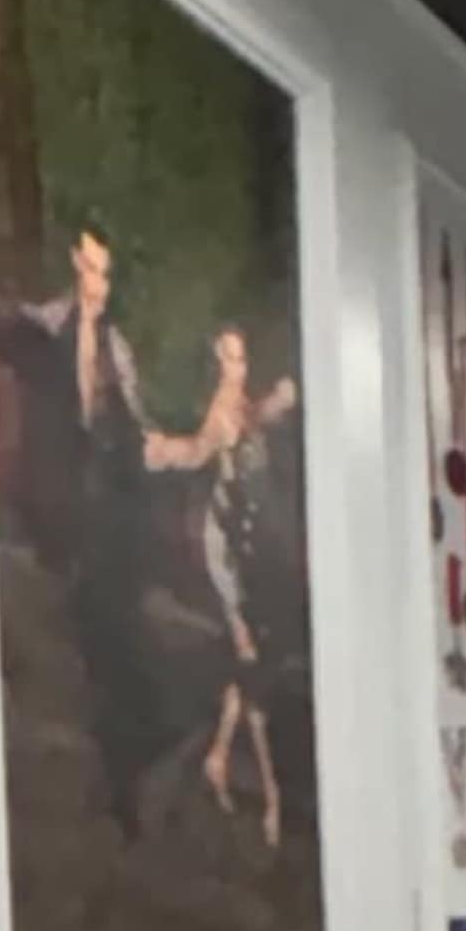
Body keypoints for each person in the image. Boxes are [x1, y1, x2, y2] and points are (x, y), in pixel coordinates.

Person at [3, 220, 162, 827]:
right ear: (76, 264)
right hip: (62, 511)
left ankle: (125, 776)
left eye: (106, 272)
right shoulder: (45, 330)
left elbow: (137, 429)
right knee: (86, 643)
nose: (99, 283)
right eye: (91, 268)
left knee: (118, 640)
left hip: (111, 521)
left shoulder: (116, 349)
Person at [147, 320, 299, 848]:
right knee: (250, 653)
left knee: (253, 653)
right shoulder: (220, 413)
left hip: (251, 538)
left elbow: (257, 420)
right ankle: (273, 797)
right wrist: (166, 449)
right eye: (230, 361)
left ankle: (217, 756)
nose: (238, 368)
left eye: (241, 358)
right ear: (216, 364)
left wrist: (278, 402)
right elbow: (198, 450)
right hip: (228, 544)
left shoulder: (241, 408)